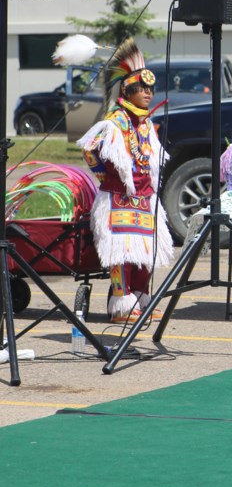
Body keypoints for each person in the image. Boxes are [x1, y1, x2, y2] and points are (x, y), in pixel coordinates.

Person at [77, 39, 173, 323]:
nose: (147, 93)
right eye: (140, 89)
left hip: (144, 198)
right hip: (117, 198)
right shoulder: (115, 121)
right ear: (126, 91)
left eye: (149, 89)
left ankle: (141, 298)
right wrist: (102, 174)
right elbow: (88, 147)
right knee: (120, 251)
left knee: (144, 251)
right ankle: (121, 303)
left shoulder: (145, 124)